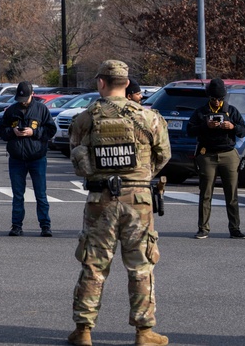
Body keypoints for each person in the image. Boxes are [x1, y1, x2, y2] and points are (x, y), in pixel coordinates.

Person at [67, 60, 171, 346]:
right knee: (141, 266)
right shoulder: (149, 118)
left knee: (94, 266)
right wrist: (139, 177)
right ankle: (144, 332)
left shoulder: (85, 118)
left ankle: (84, 330)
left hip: (100, 201)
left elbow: (76, 155)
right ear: (127, 84)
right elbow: (163, 156)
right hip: (138, 201)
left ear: (101, 83)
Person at [186, 78, 245, 240]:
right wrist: (206, 126)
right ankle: (203, 228)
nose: (217, 102)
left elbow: (243, 131)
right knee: (206, 193)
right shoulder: (201, 112)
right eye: (214, 99)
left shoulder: (232, 111)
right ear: (209, 97)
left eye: (220, 99)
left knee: (232, 193)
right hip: (207, 155)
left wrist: (232, 127)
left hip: (228, 154)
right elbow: (190, 131)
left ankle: (235, 228)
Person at [1, 81, 56, 237]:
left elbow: (51, 130)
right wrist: (12, 131)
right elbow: (1, 131)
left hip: (37, 157)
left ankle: (45, 226)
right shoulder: (11, 110)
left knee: (41, 194)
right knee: (18, 195)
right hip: (16, 158)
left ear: (32, 94)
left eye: (25, 98)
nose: (22, 101)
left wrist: (34, 132)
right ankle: (16, 226)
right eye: (20, 98)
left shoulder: (41, 109)